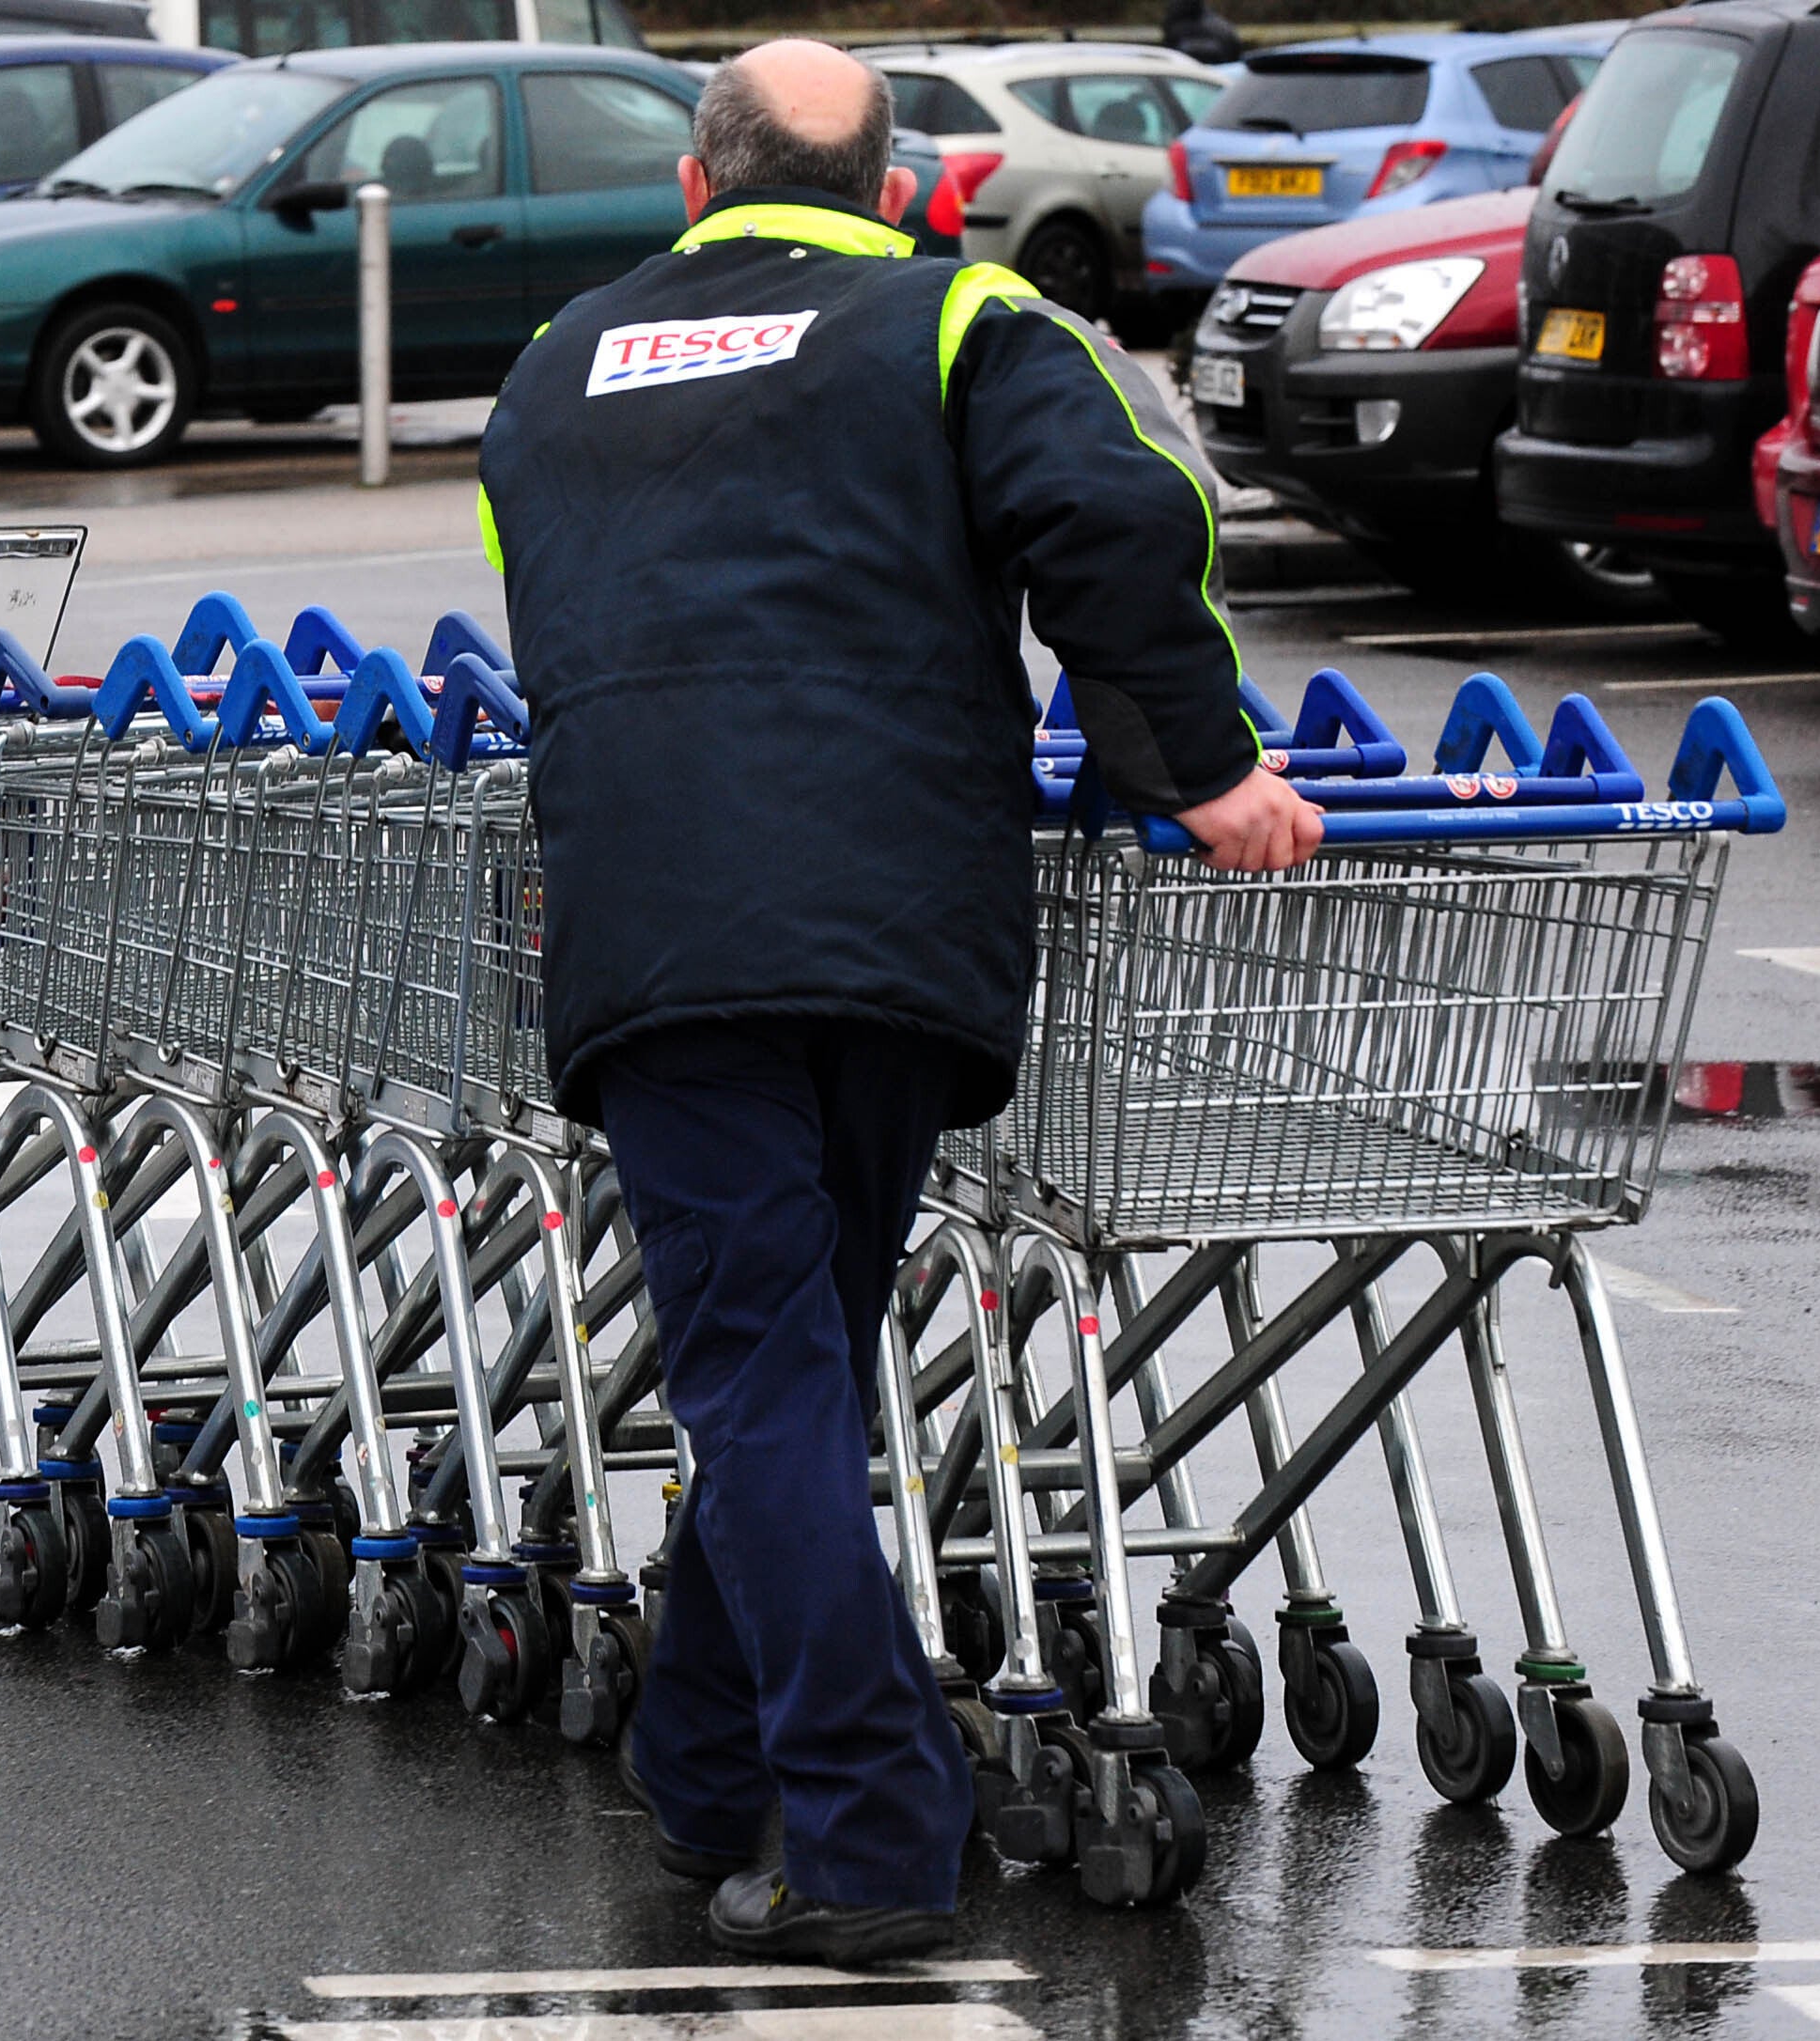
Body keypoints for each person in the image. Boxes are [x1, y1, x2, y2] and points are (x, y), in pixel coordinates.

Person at [473, 38, 1323, 1961]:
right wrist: (1193, 766)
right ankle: (722, 1783)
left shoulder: (558, 359)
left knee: (759, 1373)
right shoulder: (962, 318)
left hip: (666, 931)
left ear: (695, 186)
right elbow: (1114, 516)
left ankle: (857, 1833)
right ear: (895, 191)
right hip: (897, 924)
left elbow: (550, 610)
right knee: (783, 1366)